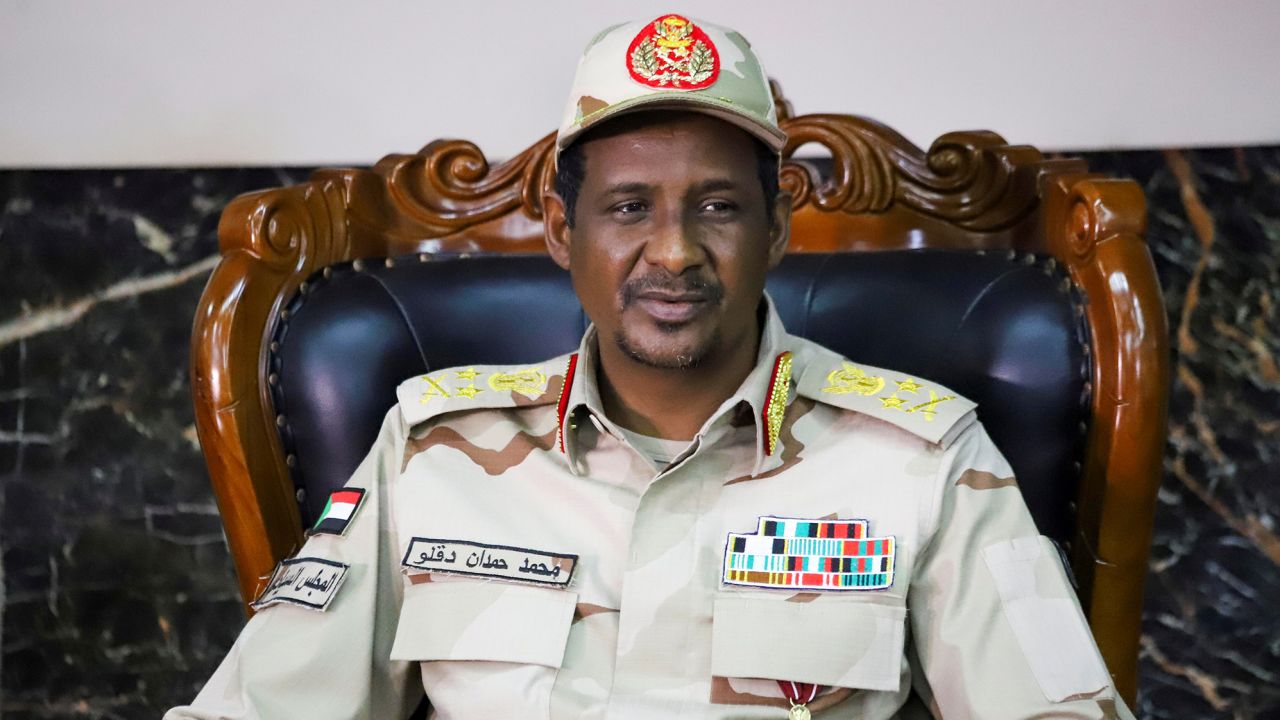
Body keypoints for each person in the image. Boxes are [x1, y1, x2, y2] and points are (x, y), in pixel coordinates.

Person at [168, 14, 1134, 720]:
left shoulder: (919, 454)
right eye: (629, 207)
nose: (672, 253)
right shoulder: (435, 448)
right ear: (561, 231)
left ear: (777, 230)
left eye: (717, 206)